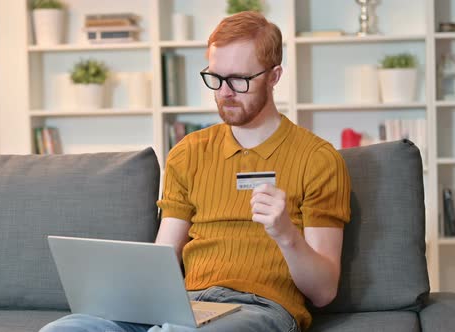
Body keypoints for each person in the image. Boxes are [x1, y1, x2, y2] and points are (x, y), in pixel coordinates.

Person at [40, 10, 350, 332]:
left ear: (274, 76)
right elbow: (163, 255)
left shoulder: (318, 159)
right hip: (188, 306)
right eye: (215, 78)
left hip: (260, 309)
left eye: (239, 80)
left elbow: (324, 292)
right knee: (66, 329)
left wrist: (286, 234)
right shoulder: (189, 153)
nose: (224, 92)